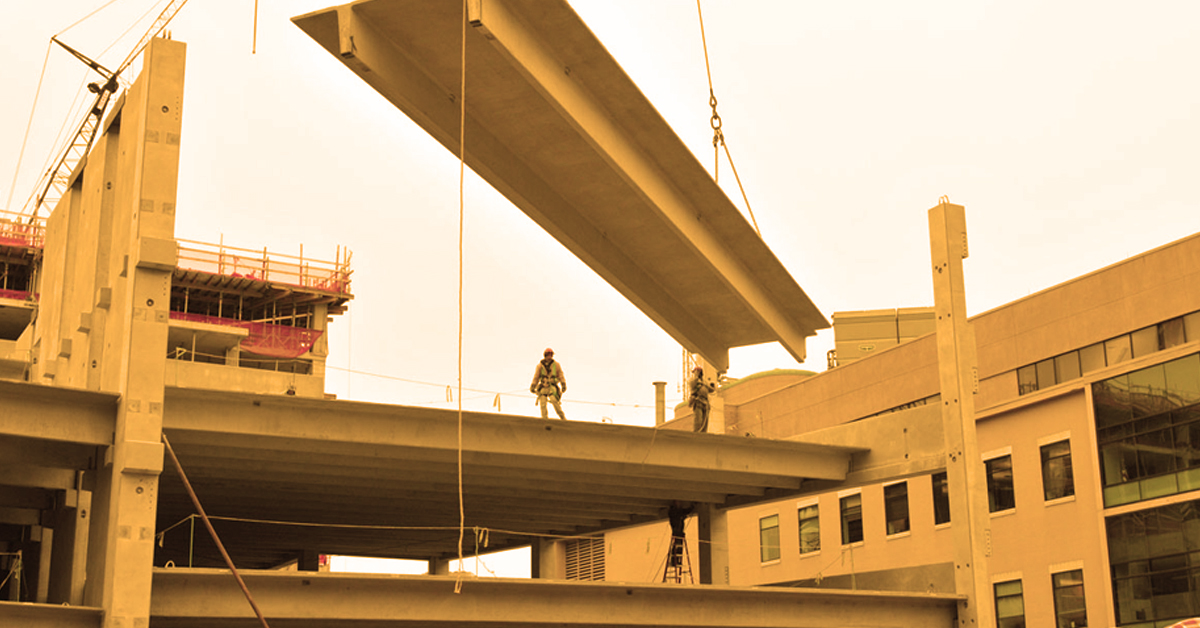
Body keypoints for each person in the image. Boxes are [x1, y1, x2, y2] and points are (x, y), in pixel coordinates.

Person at [530, 348, 567, 420]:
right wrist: (533, 386)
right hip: (543, 387)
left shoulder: (556, 365)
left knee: (554, 401)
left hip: (552, 387)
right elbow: (536, 377)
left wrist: (563, 384)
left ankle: (563, 418)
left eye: (551, 355)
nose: (550, 356)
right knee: (543, 404)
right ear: (545, 355)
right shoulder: (540, 366)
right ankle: (544, 419)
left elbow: (560, 375)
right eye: (548, 355)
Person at [689, 366, 715, 432]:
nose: (694, 373)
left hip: (705, 402)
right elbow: (692, 385)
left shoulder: (705, 382)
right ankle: (697, 433)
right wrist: (696, 376)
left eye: (695, 372)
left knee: (705, 421)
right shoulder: (693, 380)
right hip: (698, 401)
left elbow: (711, 390)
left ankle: (704, 434)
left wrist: (713, 386)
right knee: (698, 420)